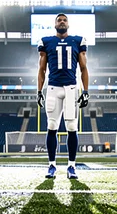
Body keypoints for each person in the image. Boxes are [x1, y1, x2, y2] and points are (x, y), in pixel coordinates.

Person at [37, 13, 89, 179]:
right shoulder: (46, 41)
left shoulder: (77, 41)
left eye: (64, 20)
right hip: (53, 88)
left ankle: (71, 166)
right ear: (55, 24)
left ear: (68, 24)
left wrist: (86, 91)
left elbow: (84, 69)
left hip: (71, 88)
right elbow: (42, 69)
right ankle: (52, 165)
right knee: (52, 126)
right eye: (59, 20)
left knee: (72, 128)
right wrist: (39, 91)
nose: (62, 22)